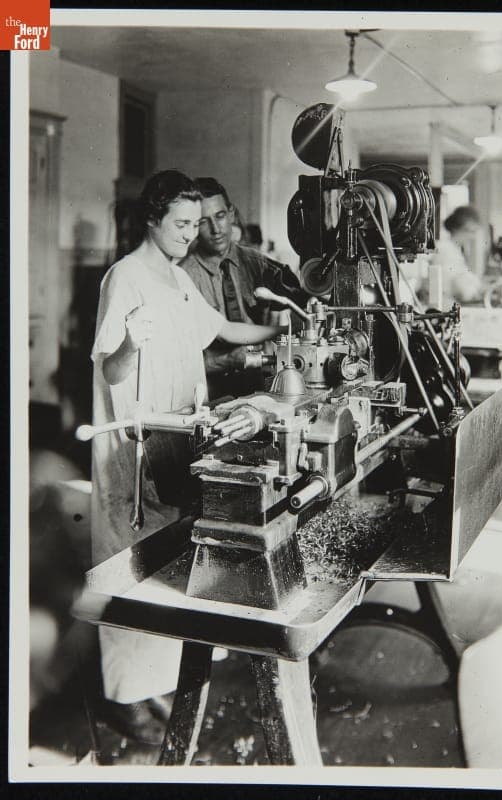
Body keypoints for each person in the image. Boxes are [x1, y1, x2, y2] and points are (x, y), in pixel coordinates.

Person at [90, 170, 285, 743]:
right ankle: (123, 696)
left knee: (168, 562)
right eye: (181, 224)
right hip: (134, 445)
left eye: (197, 224)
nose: (190, 234)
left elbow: (220, 326)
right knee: (128, 566)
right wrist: (129, 341)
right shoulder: (124, 278)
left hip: (176, 439)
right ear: (152, 218)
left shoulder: (176, 276)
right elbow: (111, 368)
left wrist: (279, 328)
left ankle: (152, 684)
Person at [179, 177, 307, 399]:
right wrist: (225, 361)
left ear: (231, 214)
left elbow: (303, 298)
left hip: (260, 387)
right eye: (203, 221)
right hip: (205, 393)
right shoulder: (183, 277)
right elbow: (178, 361)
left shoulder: (257, 264)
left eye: (220, 216)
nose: (216, 229)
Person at [431, 205, 483, 306]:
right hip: (445, 306)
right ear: (458, 228)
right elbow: (458, 289)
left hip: (452, 304)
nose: (473, 237)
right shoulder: (444, 249)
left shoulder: (455, 249)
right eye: (471, 231)